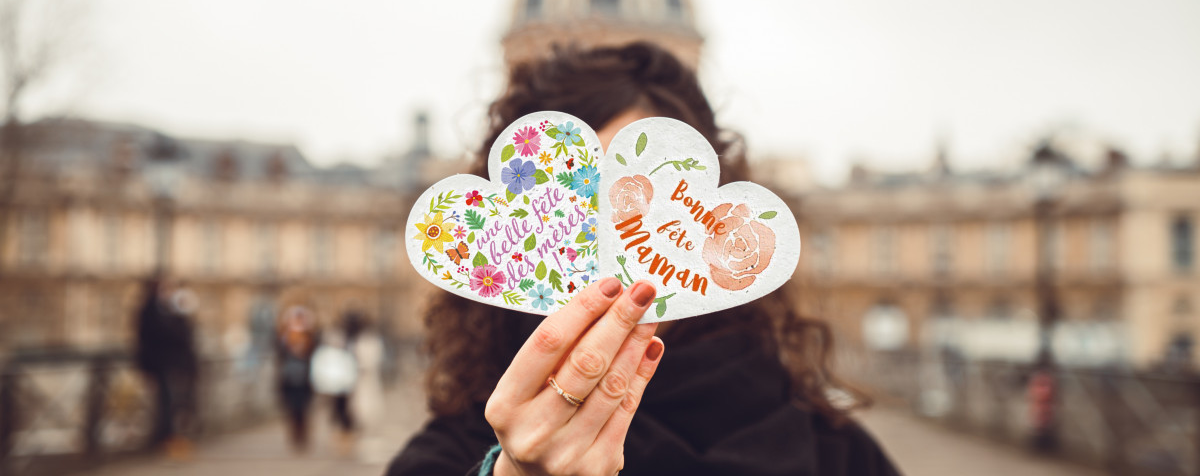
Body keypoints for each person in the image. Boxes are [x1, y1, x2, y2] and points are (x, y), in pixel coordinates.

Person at [387, 42, 900, 476]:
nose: (616, 239)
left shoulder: (839, 453)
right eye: (580, 199)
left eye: (649, 191)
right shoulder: (446, 455)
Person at [134, 275, 199, 460]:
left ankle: (170, 438)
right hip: (162, 364)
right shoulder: (153, 310)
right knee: (167, 402)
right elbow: (150, 339)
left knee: (172, 402)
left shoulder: (164, 310)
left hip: (170, 364)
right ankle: (166, 439)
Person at [275, 303, 320, 452]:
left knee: (304, 409)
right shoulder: (284, 338)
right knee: (292, 409)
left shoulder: (310, 338)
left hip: (305, 380)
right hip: (289, 379)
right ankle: (295, 437)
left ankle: (302, 437)